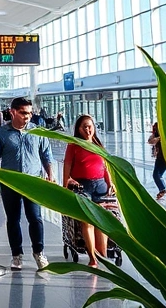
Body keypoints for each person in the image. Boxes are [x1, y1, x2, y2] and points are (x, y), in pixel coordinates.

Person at [0, 97, 54, 271]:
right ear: (13, 112)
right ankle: (16, 255)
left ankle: (39, 252)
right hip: (10, 184)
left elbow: (47, 155)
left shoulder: (38, 131)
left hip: (33, 182)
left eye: (30, 113)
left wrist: (50, 176)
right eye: (24, 113)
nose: (28, 116)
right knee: (13, 219)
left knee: (35, 218)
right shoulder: (1, 133)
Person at [63, 115, 113, 268]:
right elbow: (67, 166)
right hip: (82, 186)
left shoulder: (97, 145)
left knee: (100, 222)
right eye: (84, 126)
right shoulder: (74, 145)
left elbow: (105, 167)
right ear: (78, 129)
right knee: (88, 221)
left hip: (100, 186)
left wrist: (110, 183)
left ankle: (102, 254)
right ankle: (92, 258)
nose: (87, 129)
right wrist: (66, 183)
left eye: (90, 126)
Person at [149, 121, 166, 199]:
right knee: (156, 174)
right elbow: (151, 140)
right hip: (161, 157)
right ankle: (162, 189)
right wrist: (160, 137)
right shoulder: (157, 127)